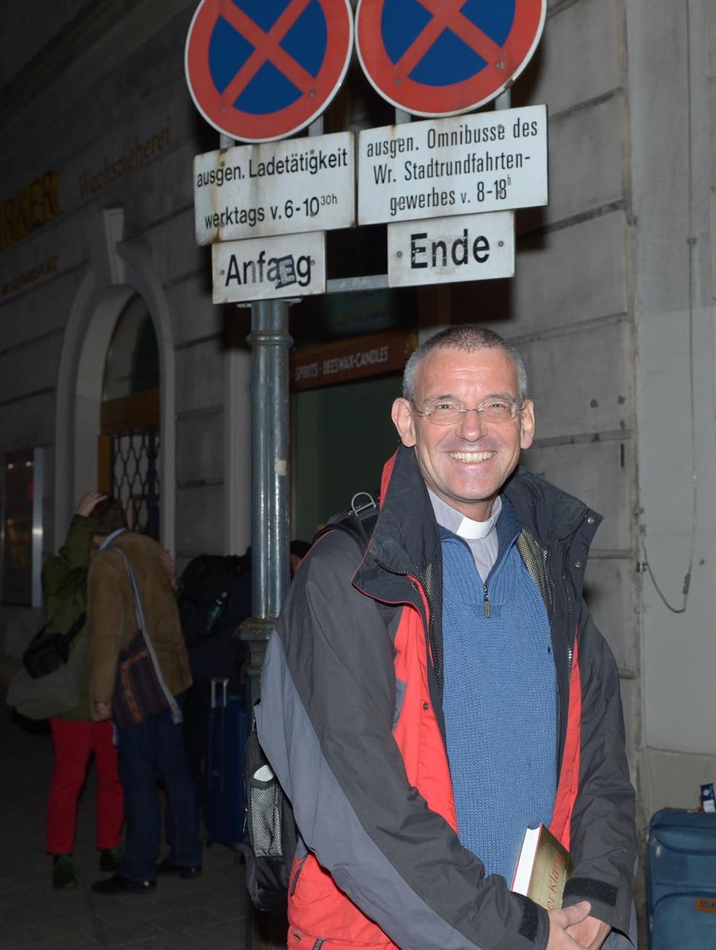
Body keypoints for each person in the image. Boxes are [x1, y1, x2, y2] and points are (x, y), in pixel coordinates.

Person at [258, 325, 638, 950]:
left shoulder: (552, 566)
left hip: (550, 928)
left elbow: (602, 764)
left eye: (495, 405)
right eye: (445, 406)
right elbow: (361, 810)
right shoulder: (349, 576)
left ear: (526, 423)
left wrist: (596, 890)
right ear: (406, 422)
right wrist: (512, 930)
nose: (472, 429)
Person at [84, 496, 201, 893]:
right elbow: (170, 601)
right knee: (175, 770)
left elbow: (105, 635)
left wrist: (101, 694)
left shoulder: (107, 562)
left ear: (94, 531)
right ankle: (186, 853)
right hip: (172, 677)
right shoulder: (149, 547)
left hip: (139, 684)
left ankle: (138, 867)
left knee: (137, 776)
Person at [40, 490, 124, 890]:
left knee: (113, 776)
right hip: (72, 697)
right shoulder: (60, 573)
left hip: (113, 691)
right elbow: (66, 586)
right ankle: (61, 853)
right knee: (69, 778)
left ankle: (110, 843)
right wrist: (80, 523)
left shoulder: (117, 567)